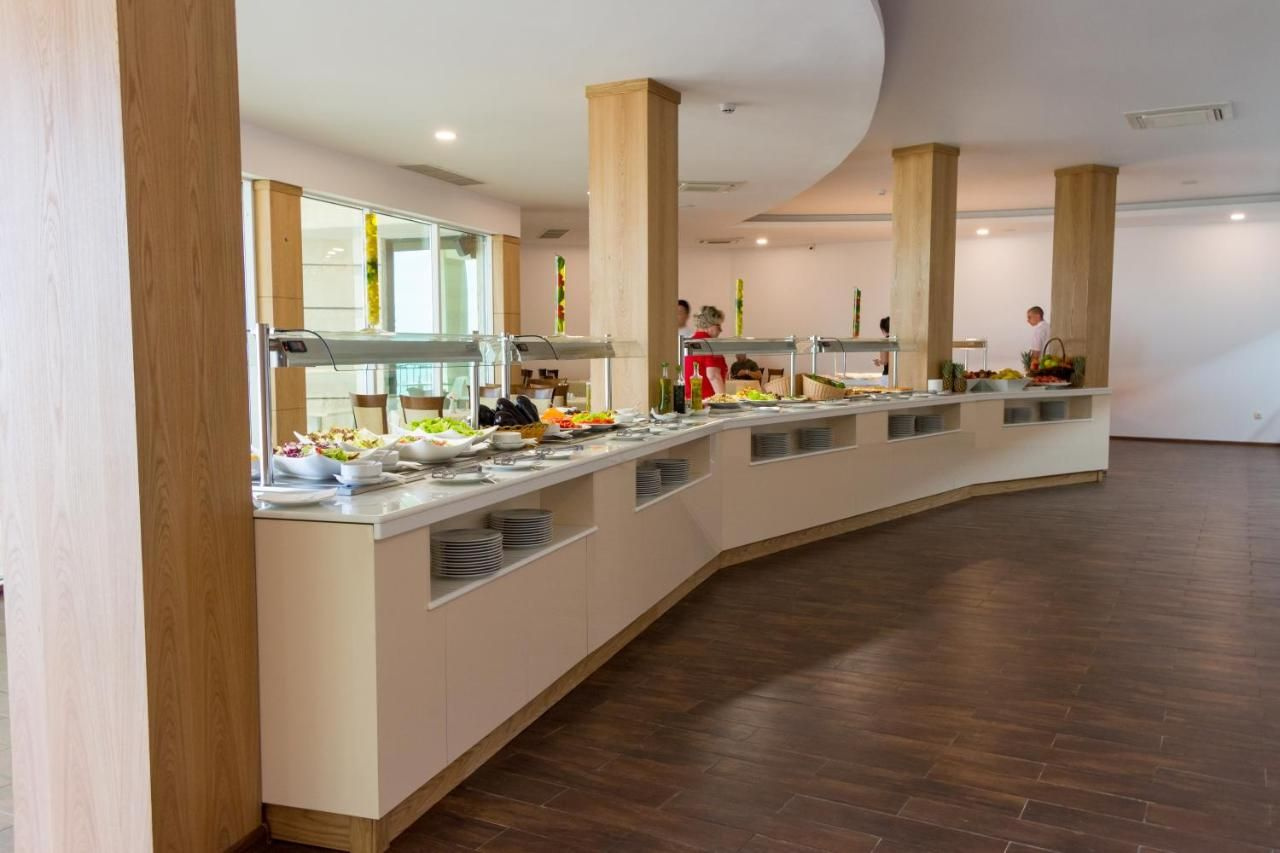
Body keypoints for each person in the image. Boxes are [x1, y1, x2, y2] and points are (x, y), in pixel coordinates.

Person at [683, 305, 728, 400]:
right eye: (718, 326)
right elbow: (713, 375)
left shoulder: (689, 343)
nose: (721, 330)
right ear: (709, 324)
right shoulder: (709, 344)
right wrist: (723, 401)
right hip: (708, 402)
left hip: (690, 401)